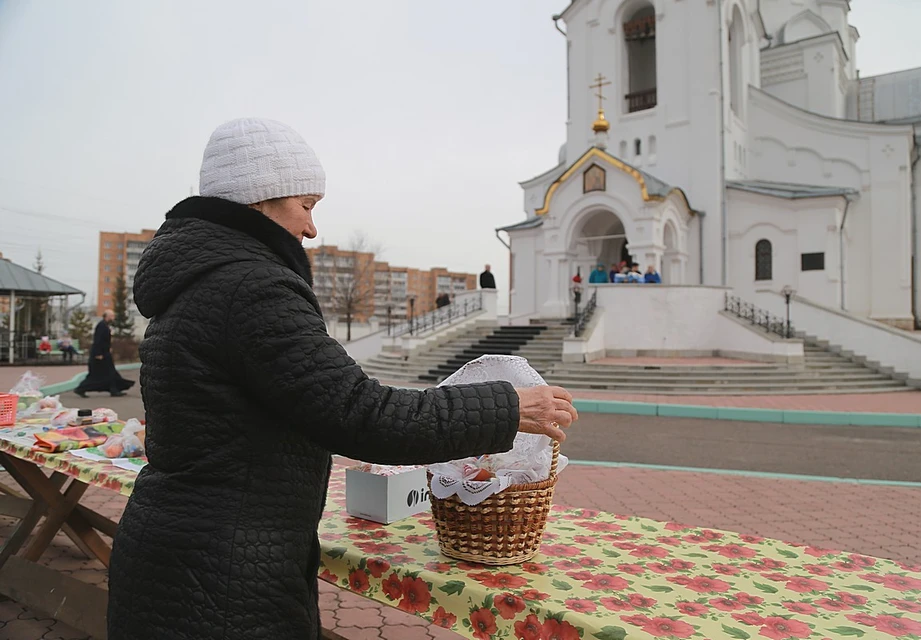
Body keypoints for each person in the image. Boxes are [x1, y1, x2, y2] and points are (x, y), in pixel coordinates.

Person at [107, 118, 579, 640]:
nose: (311, 228)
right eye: (306, 206)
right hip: (224, 574)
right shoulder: (252, 288)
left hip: (180, 550)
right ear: (262, 199)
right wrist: (509, 408)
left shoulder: (199, 284)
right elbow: (362, 414)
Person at [74, 310, 134, 398]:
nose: (113, 318)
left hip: (105, 354)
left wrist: (108, 348)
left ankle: (114, 390)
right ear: (107, 316)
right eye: (112, 316)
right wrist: (98, 353)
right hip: (100, 355)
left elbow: (104, 340)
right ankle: (81, 388)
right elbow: (98, 340)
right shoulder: (101, 326)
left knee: (111, 373)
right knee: (97, 375)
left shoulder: (105, 325)